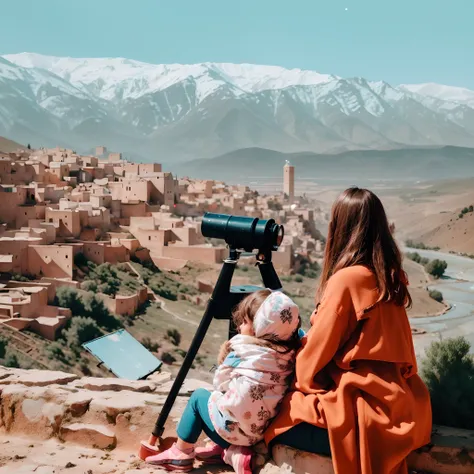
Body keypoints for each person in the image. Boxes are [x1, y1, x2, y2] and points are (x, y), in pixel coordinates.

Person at [264, 187, 432, 474]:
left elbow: (311, 363)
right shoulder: (390, 277)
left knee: (272, 412)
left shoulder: (346, 281)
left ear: (339, 228)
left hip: (365, 411)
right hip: (405, 408)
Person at [146, 289, 301, 473]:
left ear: (259, 328)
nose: (240, 327)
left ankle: (181, 452)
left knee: (200, 398)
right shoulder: (288, 354)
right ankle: (229, 452)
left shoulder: (242, 349)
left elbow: (220, 382)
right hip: (259, 434)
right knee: (235, 402)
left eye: (244, 322)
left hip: (233, 431)